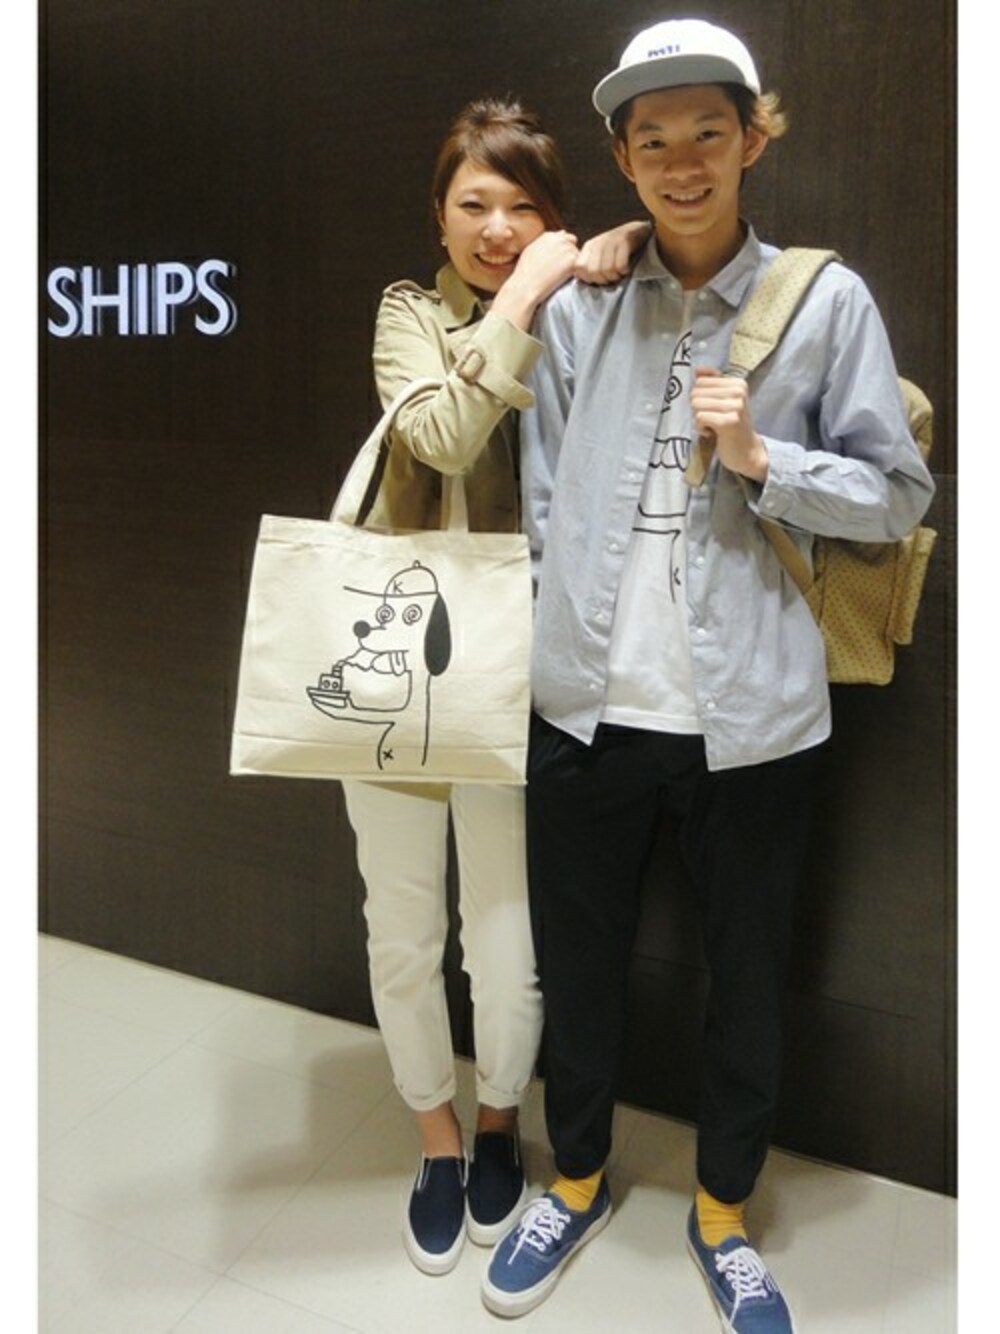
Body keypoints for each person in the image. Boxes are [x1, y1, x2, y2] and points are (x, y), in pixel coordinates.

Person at [482, 20, 935, 1331]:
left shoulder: (823, 303)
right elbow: (547, 497)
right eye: (654, 139)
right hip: (585, 708)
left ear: (752, 141)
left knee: (746, 978)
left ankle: (725, 1212)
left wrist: (764, 462)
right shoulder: (585, 301)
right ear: (624, 158)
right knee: (579, 964)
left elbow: (898, 495)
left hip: (756, 721)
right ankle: (575, 1178)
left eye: (708, 133)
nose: (683, 162)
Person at [341, 98, 646, 1278]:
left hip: (518, 668)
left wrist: (604, 257)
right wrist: (522, 294)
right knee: (402, 922)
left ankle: (498, 1121)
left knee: (508, 934)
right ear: (439, 215)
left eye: (524, 208)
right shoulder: (408, 314)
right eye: (473, 203)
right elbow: (441, 436)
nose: (497, 227)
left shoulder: (584, 315)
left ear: (555, 216)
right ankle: (433, 1133)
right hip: (394, 657)